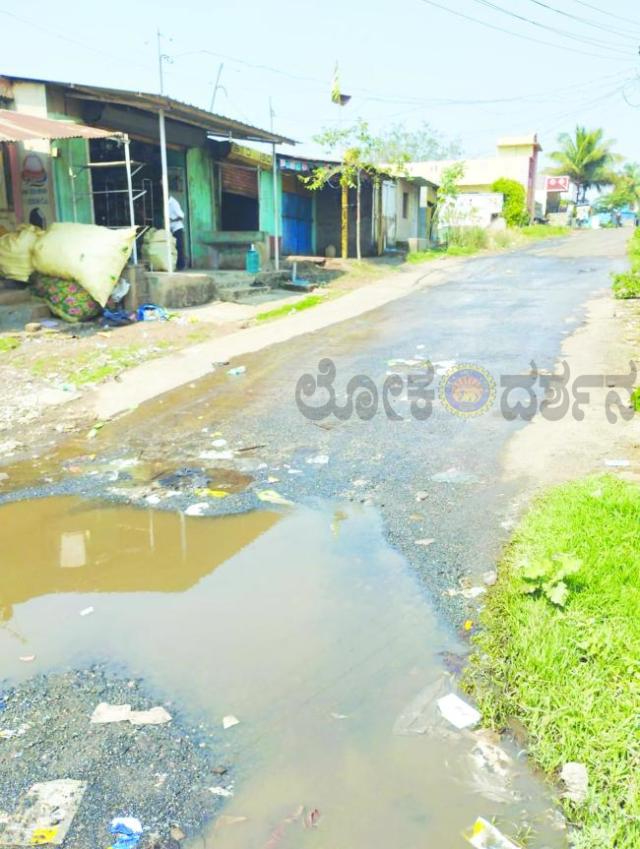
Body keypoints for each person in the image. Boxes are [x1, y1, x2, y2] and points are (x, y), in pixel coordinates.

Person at [168, 195, 186, 270]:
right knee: (173, 248)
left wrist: (172, 220)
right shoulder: (167, 203)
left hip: (177, 228)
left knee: (179, 247)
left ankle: (181, 266)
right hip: (171, 229)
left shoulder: (174, 203)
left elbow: (181, 216)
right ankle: (175, 265)